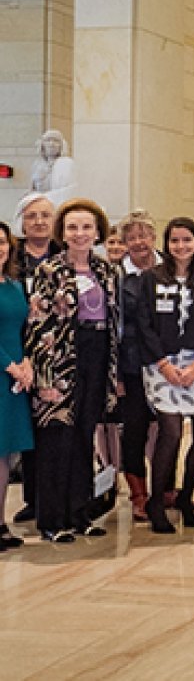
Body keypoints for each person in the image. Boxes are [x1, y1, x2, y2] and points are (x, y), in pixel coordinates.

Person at [26, 199, 120, 542]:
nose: (80, 234)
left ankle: (81, 513)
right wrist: (45, 377)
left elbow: (113, 325)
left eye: (86, 227)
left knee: (84, 436)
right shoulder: (48, 271)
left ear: (97, 231)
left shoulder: (107, 271)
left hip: (96, 359)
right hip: (60, 359)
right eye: (72, 227)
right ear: (62, 232)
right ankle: (52, 520)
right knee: (57, 438)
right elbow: (38, 327)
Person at [138, 217, 194, 534]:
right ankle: (157, 501)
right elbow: (144, 324)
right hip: (163, 366)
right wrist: (164, 364)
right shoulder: (151, 279)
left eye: (187, 240)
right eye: (175, 240)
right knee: (170, 432)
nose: (181, 246)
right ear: (167, 243)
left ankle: (187, 497)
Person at [9, 193, 58, 524]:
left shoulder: (64, 256)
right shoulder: (12, 259)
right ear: (22, 222)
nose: (39, 222)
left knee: (52, 429)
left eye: (44, 215)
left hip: (57, 355)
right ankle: (32, 497)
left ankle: (54, 497)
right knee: (26, 430)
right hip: (17, 354)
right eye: (32, 216)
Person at [116, 209, 161, 522]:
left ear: (153, 237)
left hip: (168, 364)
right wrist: (115, 372)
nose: (138, 242)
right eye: (131, 238)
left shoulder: (171, 268)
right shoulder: (116, 275)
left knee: (169, 430)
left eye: (143, 235)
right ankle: (138, 494)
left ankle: (165, 487)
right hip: (131, 365)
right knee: (134, 429)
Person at [0, 221, 34, 550]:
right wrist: (10, 365)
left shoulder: (13, 285)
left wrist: (26, 364)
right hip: (2, 370)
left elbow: (23, 330)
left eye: (2, 242)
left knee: (5, 453)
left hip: (14, 376)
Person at [28, 129, 77, 206]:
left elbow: (71, 189)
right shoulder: (37, 165)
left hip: (58, 206)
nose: (51, 144)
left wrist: (47, 197)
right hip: (39, 206)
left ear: (62, 145)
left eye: (56, 141)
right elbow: (32, 189)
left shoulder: (67, 163)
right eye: (48, 140)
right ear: (42, 145)